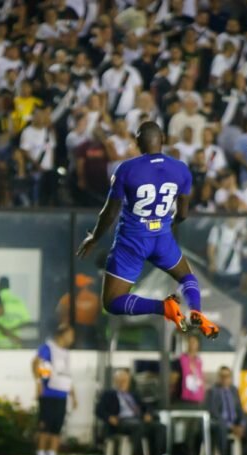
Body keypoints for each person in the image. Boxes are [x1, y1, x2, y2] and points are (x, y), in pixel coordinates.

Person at [76, 121, 219, 338]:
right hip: (161, 238)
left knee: (114, 302)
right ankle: (196, 311)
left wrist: (94, 237)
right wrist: (166, 226)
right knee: (186, 277)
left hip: (132, 241)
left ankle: (163, 308)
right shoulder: (181, 169)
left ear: (138, 142)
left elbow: (110, 212)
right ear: (162, 139)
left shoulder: (126, 169)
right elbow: (182, 214)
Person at [96, 369, 166, 455]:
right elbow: (99, 410)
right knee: (138, 426)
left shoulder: (134, 394)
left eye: (124, 381)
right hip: (120, 422)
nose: (122, 383)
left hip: (138, 420)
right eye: (120, 381)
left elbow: (146, 407)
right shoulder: (108, 394)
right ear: (115, 381)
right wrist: (109, 417)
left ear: (128, 381)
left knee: (160, 427)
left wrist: (148, 414)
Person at [32, 324, 76, 455]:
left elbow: (66, 375)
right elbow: (36, 363)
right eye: (71, 335)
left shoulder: (66, 353)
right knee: (45, 427)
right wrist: (39, 382)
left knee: (57, 427)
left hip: (62, 394)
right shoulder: (48, 348)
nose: (72, 339)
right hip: (49, 393)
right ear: (62, 334)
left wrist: (73, 395)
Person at [205, 366, 245, 455]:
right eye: (222, 376)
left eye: (227, 376)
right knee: (221, 427)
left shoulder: (234, 390)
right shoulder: (213, 391)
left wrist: (241, 424)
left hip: (235, 424)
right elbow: (213, 411)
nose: (224, 378)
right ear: (218, 377)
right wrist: (230, 426)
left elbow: (239, 409)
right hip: (219, 423)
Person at [0, 276, 32, 349]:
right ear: (9, 286)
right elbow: (27, 321)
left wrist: (7, 331)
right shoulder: (18, 301)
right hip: (15, 342)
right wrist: (12, 330)